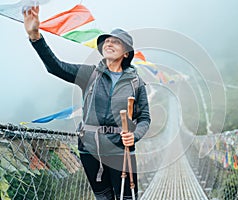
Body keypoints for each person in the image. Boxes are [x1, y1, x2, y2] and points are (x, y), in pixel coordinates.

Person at [23, 6, 151, 200]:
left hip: (121, 149)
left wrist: (135, 136)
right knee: (103, 197)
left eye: (115, 42)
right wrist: (35, 36)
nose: (109, 43)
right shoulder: (89, 74)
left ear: (126, 53)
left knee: (128, 197)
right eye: (106, 41)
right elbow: (55, 66)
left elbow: (144, 118)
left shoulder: (136, 83)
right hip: (90, 150)